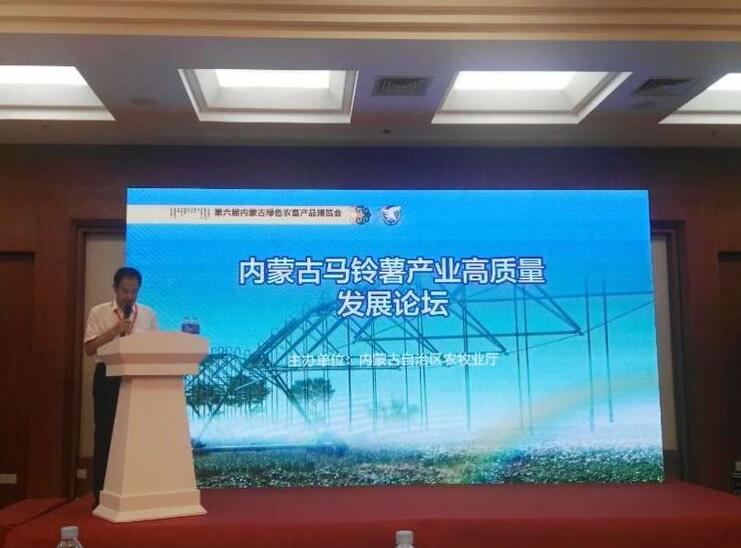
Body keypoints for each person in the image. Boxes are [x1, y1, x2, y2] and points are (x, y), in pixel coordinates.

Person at [83, 266, 158, 509]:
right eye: (125, 291)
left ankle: (138, 492)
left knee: (139, 435)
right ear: (115, 289)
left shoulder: (148, 314)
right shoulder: (99, 312)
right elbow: (89, 349)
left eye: (134, 291)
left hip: (138, 377)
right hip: (107, 376)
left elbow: (154, 347)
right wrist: (115, 331)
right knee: (105, 434)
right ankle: (102, 495)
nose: (129, 296)